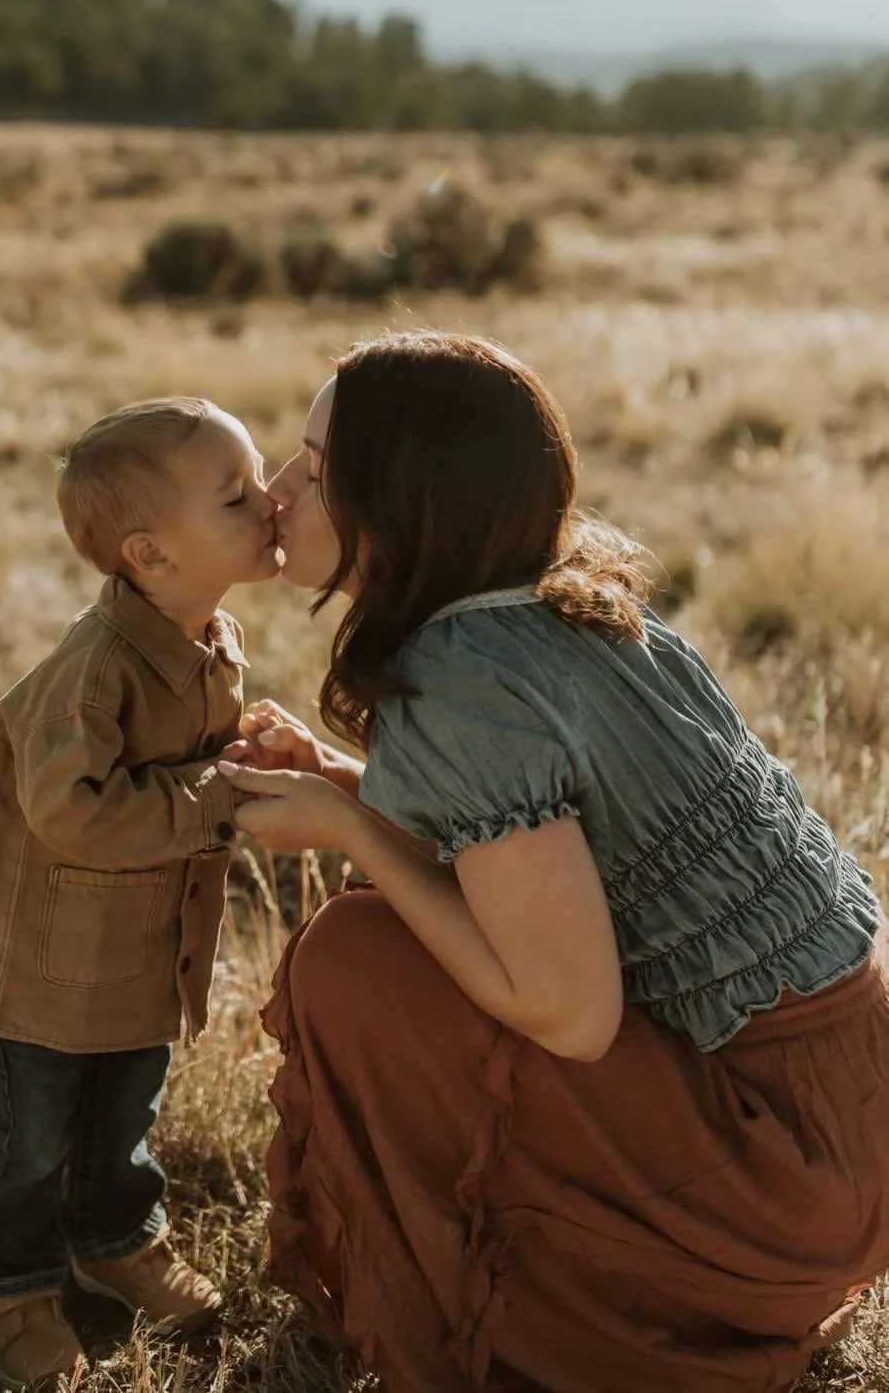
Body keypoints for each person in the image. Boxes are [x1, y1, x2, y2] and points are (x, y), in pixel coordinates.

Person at [218, 328, 889, 1393]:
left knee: (354, 960)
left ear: (403, 502)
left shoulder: (460, 676)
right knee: (381, 937)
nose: (282, 487)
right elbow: (531, 861)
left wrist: (349, 832)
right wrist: (345, 780)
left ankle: (539, 1311)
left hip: (778, 1162)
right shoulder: (565, 604)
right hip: (852, 1120)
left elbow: (570, 1010)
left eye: (319, 467)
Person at [0, 396, 280, 1389]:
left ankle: (113, 1234)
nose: (269, 502)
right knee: (33, 1132)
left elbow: (192, 760)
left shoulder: (210, 635)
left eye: (258, 478)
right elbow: (74, 813)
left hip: (134, 950)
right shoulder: (91, 675)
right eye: (237, 495)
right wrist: (212, 792)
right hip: (49, 964)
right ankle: (9, 1286)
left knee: (122, 1108)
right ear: (151, 554)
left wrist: (244, 746)